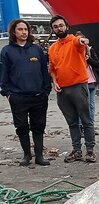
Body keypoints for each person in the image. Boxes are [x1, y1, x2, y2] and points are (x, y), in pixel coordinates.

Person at [0, 19, 51, 166]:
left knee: (39, 125)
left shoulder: (37, 50)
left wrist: (45, 90)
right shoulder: (7, 51)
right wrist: (7, 93)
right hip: (18, 97)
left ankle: (39, 156)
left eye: (26, 29)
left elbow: (44, 71)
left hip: (38, 96)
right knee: (21, 126)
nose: (24, 32)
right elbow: (4, 73)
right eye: (20, 29)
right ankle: (27, 155)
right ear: (14, 32)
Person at [48, 15, 97, 163]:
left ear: (66, 27)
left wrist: (83, 40)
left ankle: (90, 151)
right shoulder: (52, 48)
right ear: (53, 30)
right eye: (56, 27)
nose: (59, 28)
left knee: (86, 119)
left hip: (78, 86)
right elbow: (53, 68)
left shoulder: (74, 42)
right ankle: (77, 150)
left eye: (61, 25)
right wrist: (54, 82)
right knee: (72, 122)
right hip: (62, 90)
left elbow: (80, 41)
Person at [76, 31, 99, 135]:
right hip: (80, 82)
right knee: (82, 106)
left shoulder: (90, 50)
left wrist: (88, 59)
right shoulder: (74, 52)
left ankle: (90, 127)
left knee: (91, 105)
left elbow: (97, 64)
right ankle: (81, 127)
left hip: (91, 82)